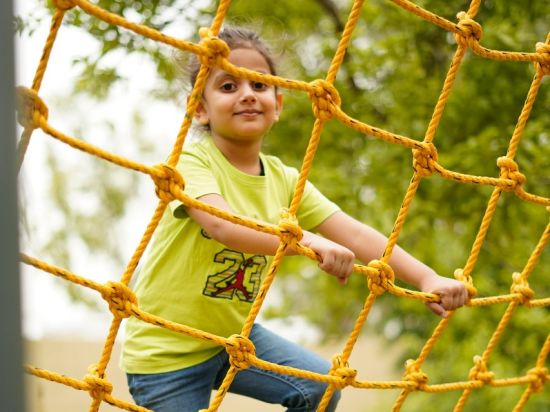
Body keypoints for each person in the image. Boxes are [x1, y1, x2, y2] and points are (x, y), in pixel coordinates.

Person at [121, 26, 469, 412]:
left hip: (231, 338)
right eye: (228, 86)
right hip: (166, 354)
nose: (248, 94)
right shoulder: (192, 162)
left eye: (259, 83)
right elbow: (223, 225)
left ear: (279, 102)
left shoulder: (286, 178)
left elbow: (353, 232)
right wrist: (307, 243)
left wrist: (425, 277)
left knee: (318, 390)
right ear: (199, 108)